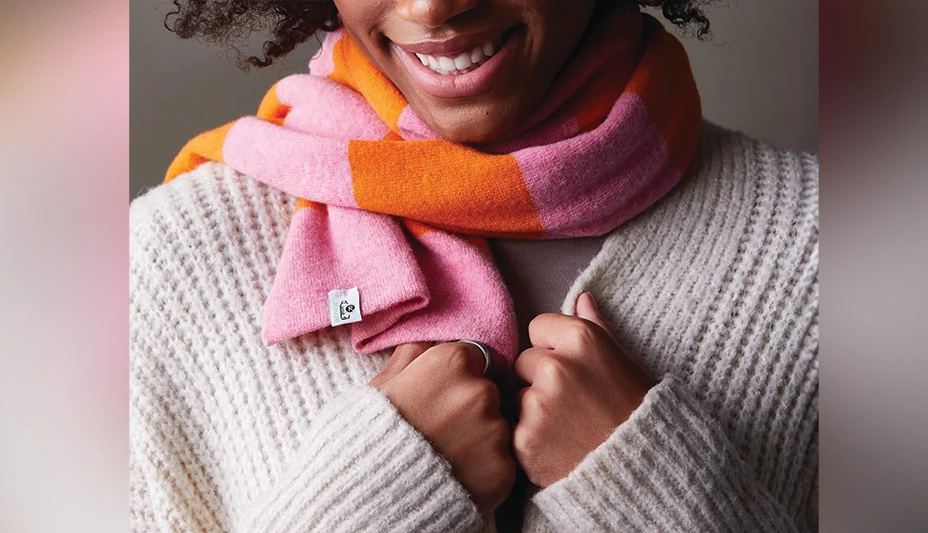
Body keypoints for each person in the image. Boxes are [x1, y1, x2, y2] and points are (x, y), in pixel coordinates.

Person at [130, 0, 818, 531]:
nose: (431, 8)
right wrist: (381, 492)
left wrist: (653, 490)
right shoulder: (169, 263)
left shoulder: (824, 251)